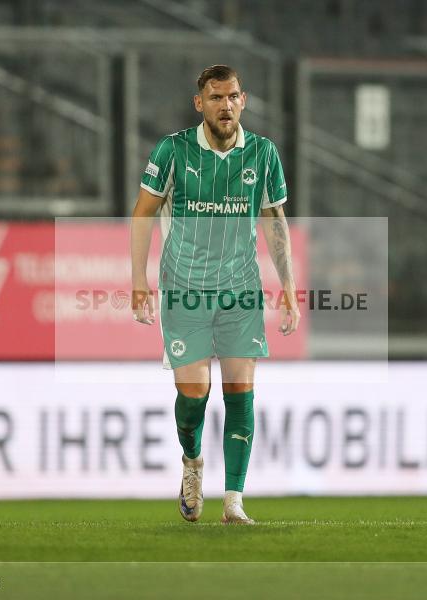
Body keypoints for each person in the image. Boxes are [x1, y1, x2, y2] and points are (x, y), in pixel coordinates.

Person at [130, 65, 299, 525]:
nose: (226, 105)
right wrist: (138, 280)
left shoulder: (263, 153)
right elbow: (143, 213)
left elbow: (274, 221)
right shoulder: (173, 150)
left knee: (241, 393)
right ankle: (192, 462)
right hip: (185, 290)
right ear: (199, 103)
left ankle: (234, 501)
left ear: (243, 101)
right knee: (194, 395)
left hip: (240, 290)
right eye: (216, 97)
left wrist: (287, 287)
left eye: (233, 96)